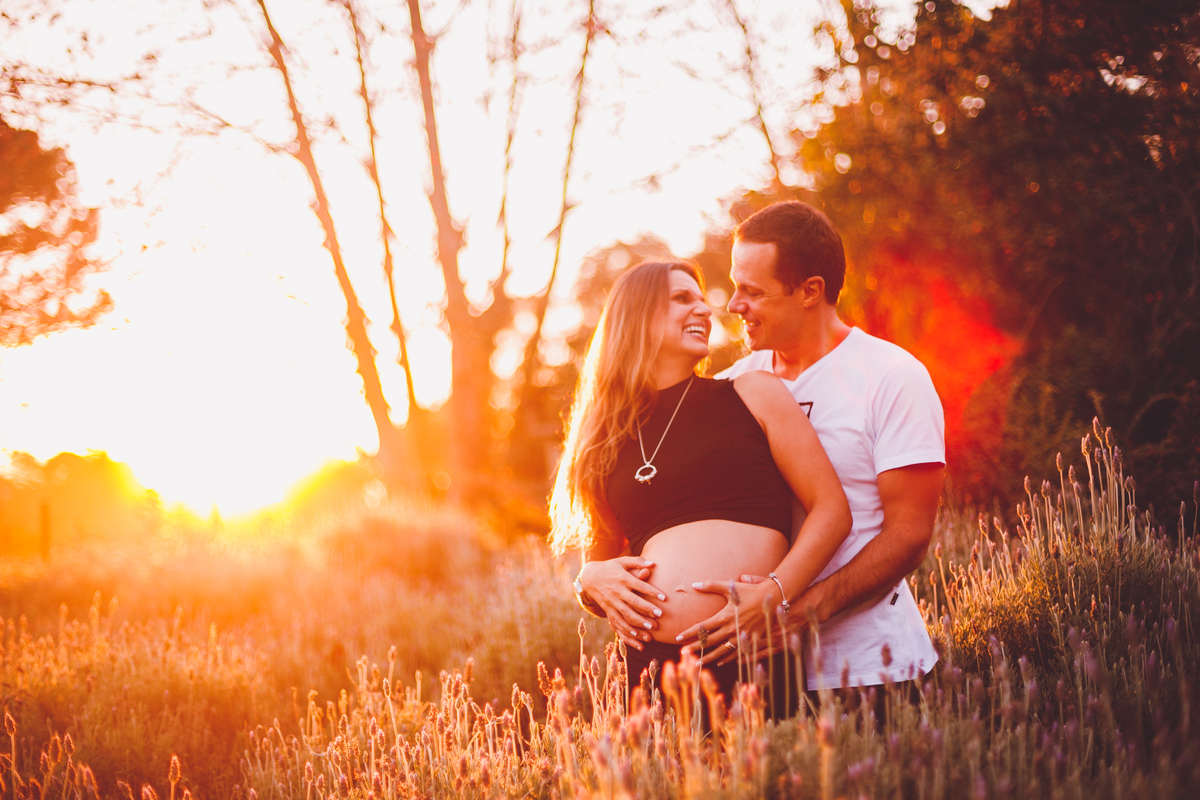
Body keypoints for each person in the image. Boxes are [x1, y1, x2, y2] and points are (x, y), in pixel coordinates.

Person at [548, 259, 851, 715]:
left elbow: (831, 510)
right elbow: (604, 568)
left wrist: (774, 593)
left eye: (701, 298)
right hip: (653, 672)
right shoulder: (603, 440)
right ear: (637, 316)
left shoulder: (752, 393)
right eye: (682, 298)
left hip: (755, 651)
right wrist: (588, 580)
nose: (705, 310)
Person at [678, 201, 945, 704]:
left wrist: (799, 612)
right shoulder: (733, 383)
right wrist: (596, 573)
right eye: (736, 287)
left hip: (870, 673)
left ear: (811, 291)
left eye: (752, 291)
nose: (734, 305)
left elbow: (910, 533)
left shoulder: (892, 377)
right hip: (757, 680)